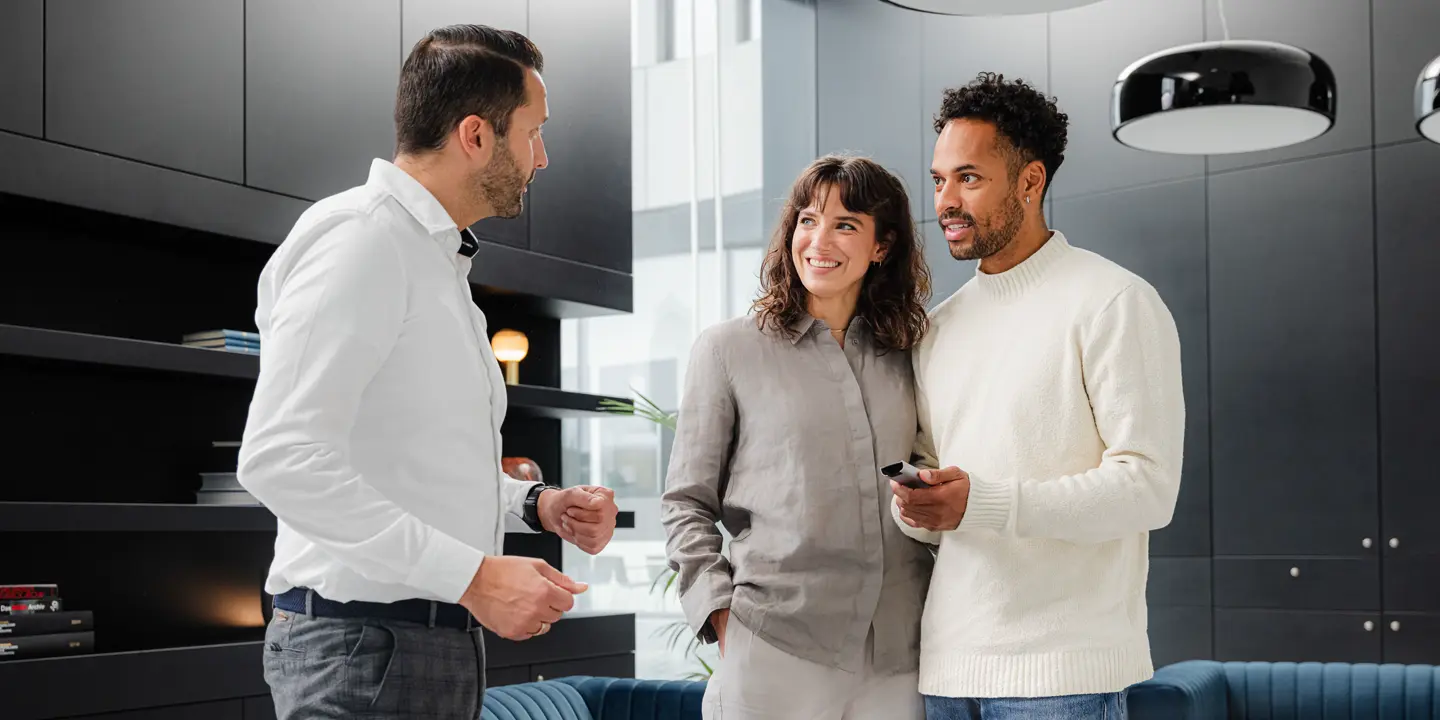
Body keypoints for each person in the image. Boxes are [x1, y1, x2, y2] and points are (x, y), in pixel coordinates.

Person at [237, 24, 620, 719]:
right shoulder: (362, 238)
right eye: (532, 133)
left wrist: (536, 504)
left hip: (418, 644)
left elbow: (416, 461)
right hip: (364, 648)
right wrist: (475, 577)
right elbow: (281, 458)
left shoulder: (434, 260)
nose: (543, 157)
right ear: (475, 135)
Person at [891, 72, 1185, 720]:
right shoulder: (937, 329)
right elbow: (936, 486)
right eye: (938, 180)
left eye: (969, 178)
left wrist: (984, 502)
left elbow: (1148, 487)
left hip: (1064, 677)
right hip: (947, 671)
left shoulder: (1114, 302)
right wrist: (916, 507)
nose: (945, 201)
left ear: (1030, 182)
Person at [662, 154, 936, 720]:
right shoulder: (727, 350)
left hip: (898, 654)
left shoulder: (910, 354)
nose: (819, 241)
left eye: (845, 225)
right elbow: (686, 502)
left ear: (881, 246)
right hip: (775, 646)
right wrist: (719, 614)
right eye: (808, 220)